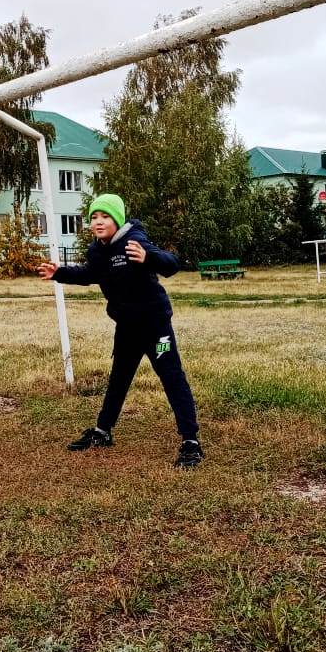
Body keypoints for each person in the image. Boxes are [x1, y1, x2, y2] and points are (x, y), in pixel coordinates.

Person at [37, 193, 203, 468]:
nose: (98, 222)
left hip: (156, 329)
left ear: (117, 219)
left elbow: (171, 263)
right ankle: (102, 432)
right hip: (127, 329)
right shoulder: (97, 250)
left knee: (172, 377)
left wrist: (148, 257)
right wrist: (59, 273)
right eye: (94, 217)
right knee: (119, 379)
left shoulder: (133, 241)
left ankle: (190, 442)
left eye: (105, 216)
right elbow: (89, 274)